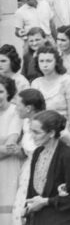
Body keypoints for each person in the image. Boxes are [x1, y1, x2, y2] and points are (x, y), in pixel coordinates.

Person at [23, 110, 70, 225]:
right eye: (31, 131)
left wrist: (47, 201)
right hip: (39, 220)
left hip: (62, 220)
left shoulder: (68, 156)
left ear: (52, 133)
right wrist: (27, 211)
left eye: (37, 132)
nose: (32, 136)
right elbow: (32, 191)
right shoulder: (38, 152)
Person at [30, 47, 70, 143]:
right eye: (41, 61)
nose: (45, 65)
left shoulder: (68, 81)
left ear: (56, 62)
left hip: (63, 130)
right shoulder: (35, 83)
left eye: (49, 61)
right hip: (42, 131)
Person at [0, 74, 23, 224]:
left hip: (8, 167)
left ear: (8, 92)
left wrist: (5, 148)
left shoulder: (15, 112)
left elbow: (10, 146)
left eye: (0, 91)